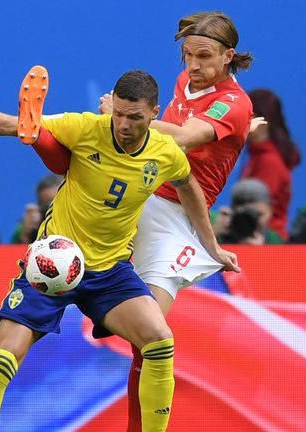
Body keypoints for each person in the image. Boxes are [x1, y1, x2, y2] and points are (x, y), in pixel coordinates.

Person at [0, 67, 238, 432]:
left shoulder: (165, 152)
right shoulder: (86, 128)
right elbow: (7, 124)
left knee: (159, 340)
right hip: (52, 263)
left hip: (109, 271)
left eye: (135, 117)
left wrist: (211, 245)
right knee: (4, 357)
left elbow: (188, 185)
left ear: (154, 113)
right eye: (119, 114)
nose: (123, 124)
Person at [44, 11, 257, 430]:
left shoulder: (235, 103)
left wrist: (116, 118)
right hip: (140, 199)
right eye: (187, 55)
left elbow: (181, 138)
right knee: (74, 159)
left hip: (179, 219)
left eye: (205, 56)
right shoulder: (185, 84)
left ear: (229, 55)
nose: (193, 66)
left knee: (152, 337)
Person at [241, 88, 300, 240]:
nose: (240, 121)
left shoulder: (269, 162)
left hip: (267, 241)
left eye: (247, 116)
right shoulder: (257, 157)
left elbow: (256, 210)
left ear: (264, 123)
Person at [212, 178, 285, 244]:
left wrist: (260, 253)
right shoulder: (214, 225)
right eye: (245, 215)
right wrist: (212, 235)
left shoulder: (275, 241)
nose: (250, 221)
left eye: (258, 215)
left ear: (270, 210)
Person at [10, 173, 63, 244]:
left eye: (59, 201)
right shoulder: (29, 224)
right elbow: (12, 252)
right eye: (49, 203)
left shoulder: (77, 219)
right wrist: (26, 234)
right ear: (39, 205)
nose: (54, 207)